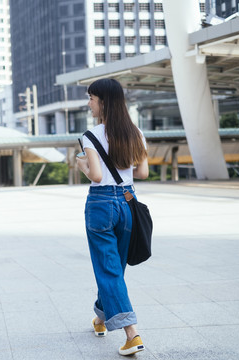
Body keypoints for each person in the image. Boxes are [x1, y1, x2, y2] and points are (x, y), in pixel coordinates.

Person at [76, 78, 149, 356]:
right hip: (128, 203)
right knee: (113, 268)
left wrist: (81, 163)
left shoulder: (91, 135)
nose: (89, 103)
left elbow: (95, 175)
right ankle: (100, 317)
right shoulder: (137, 133)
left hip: (101, 205)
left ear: (103, 101)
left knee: (108, 269)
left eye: (91, 98)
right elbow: (141, 174)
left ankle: (132, 334)